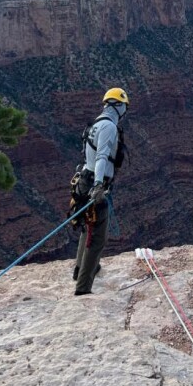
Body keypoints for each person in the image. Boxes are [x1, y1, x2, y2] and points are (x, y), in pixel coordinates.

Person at [72, 87, 129, 296]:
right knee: (97, 238)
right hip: (95, 184)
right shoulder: (109, 127)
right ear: (119, 105)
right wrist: (98, 186)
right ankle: (83, 288)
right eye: (124, 106)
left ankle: (81, 269)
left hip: (84, 179)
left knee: (87, 227)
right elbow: (102, 157)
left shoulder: (95, 124)